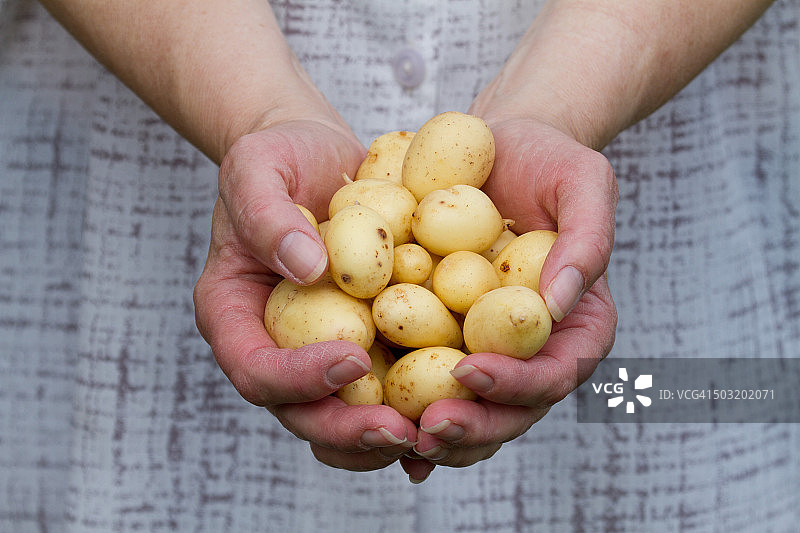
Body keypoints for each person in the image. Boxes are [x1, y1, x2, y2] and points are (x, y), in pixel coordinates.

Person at [1, 0, 797, 531]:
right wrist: (254, 111)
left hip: (663, 170)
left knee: (671, 440)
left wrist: (557, 110)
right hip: (159, 115)